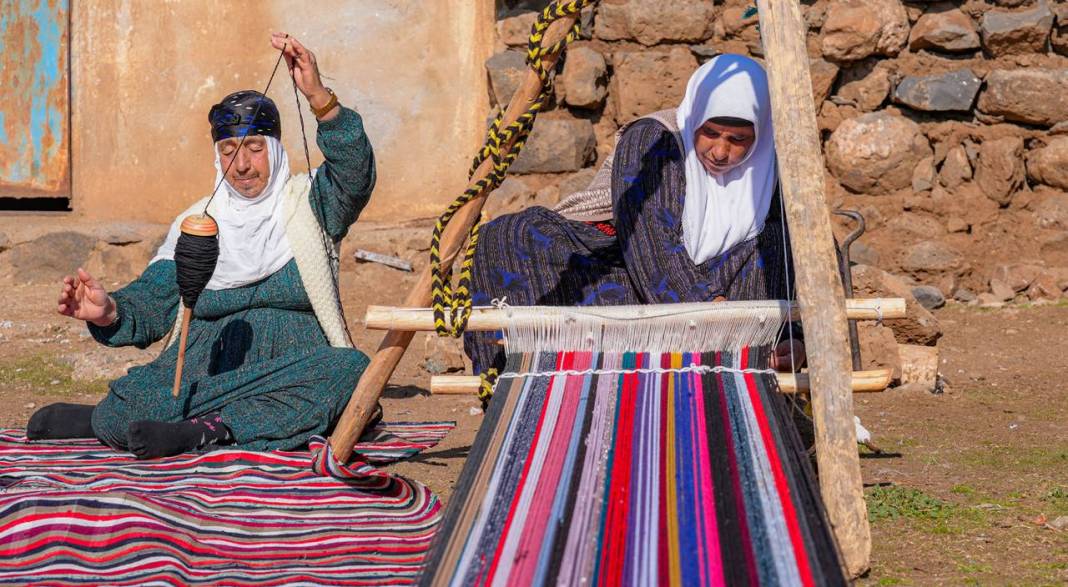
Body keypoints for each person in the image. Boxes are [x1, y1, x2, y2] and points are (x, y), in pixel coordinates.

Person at [27, 34, 376, 459]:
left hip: (292, 367)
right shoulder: (198, 224)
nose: (242, 164)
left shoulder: (313, 204)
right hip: (205, 369)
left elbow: (355, 174)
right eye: (229, 150)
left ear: (275, 150)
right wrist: (110, 311)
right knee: (148, 392)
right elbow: (155, 302)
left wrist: (319, 97)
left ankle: (195, 427)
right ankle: (176, 420)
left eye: (253, 148)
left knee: (350, 371)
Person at [465, 54, 805, 380]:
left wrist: (796, 338)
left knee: (782, 242)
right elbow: (648, 242)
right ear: (695, 117)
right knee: (509, 234)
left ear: (759, 135)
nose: (720, 151)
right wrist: (714, 312)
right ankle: (524, 381)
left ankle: (747, 364)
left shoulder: (771, 166)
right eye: (711, 133)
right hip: (626, 269)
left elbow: (806, 257)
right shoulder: (654, 138)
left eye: (738, 140)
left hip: (713, 294)